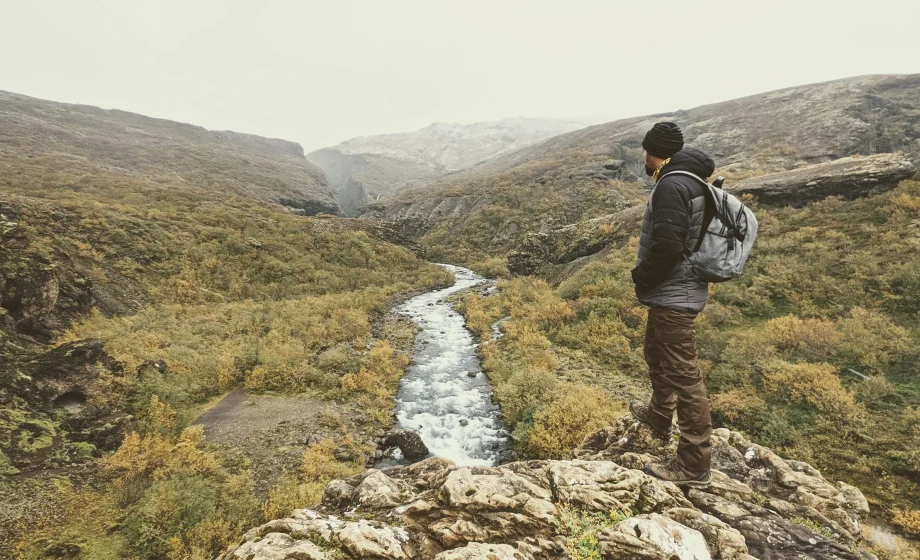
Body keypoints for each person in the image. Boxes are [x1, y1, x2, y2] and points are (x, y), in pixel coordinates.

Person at [630, 121, 715, 487]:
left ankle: (694, 464)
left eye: (645, 152)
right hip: (677, 290)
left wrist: (641, 276)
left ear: (653, 153)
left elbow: (666, 247)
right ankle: (660, 416)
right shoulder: (689, 179)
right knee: (655, 351)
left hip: (673, 293)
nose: (643, 158)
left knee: (684, 374)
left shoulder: (671, 184)